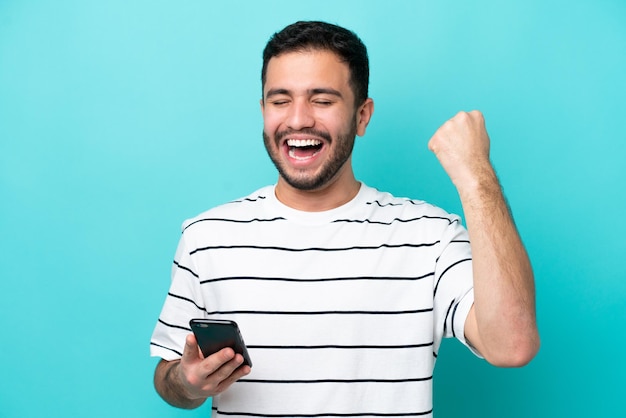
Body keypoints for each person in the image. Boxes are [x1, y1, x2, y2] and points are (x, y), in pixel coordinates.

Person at [150, 20, 539, 417]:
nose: (298, 119)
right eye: (280, 100)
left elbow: (511, 344)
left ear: (362, 115)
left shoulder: (429, 237)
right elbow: (168, 379)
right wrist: (188, 381)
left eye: (322, 99)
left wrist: (477, 177)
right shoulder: (207, 237)